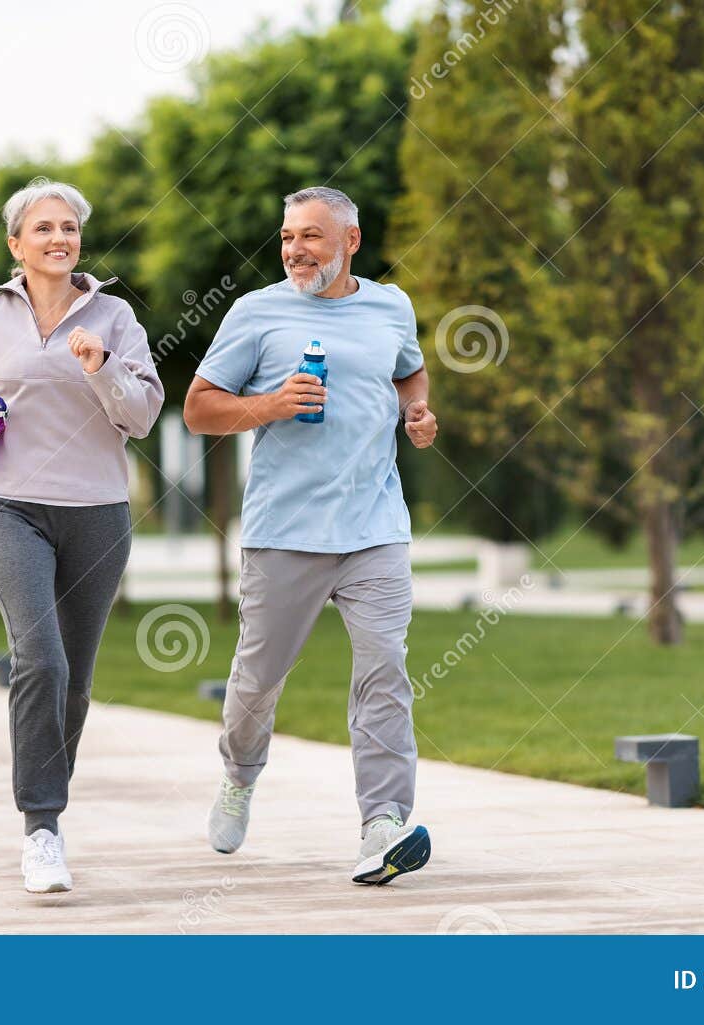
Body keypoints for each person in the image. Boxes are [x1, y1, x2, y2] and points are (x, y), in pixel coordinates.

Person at [183, 185, 439, 884]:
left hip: (375, 527)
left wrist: (417, 413)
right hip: (285, 533)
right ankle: (239, 775)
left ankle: (383, 822)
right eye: (288, 237)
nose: (295, 249)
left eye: (312, 237)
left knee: (385, 670)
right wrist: (269, 404)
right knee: (259, 681)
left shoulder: (391, 305)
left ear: (351, 241)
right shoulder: (256, 312)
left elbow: (410, 373)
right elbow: (199, 409)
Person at [0, 180, 164, 894]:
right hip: (9, 507)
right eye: (44, 227)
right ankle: (42, 828)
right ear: (15, 245)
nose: (60, 237)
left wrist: (103, 368)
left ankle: (48, 810)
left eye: (70, 227)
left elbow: (144, 414)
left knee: (76, 684)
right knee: (41, 660)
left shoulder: (114, 317)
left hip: (97, 512)